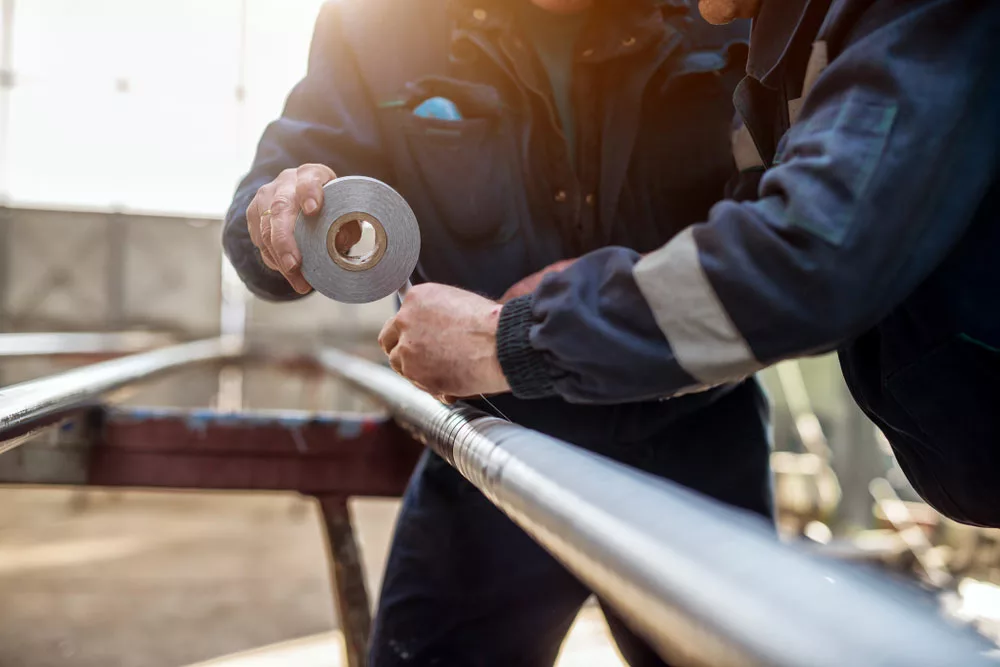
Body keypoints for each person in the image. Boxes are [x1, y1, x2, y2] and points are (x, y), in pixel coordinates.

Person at [225, 0, 773, 664]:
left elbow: (794, 237)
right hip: (492, 451)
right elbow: (279, 194)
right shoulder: (379, 26)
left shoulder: (727, 10)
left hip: (698, 445)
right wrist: (279, 220)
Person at [383, 0, 1000, 528]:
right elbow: (781, 243)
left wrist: (504, 340)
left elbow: (806, 257)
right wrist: (585, 299)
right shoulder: (789, 44)